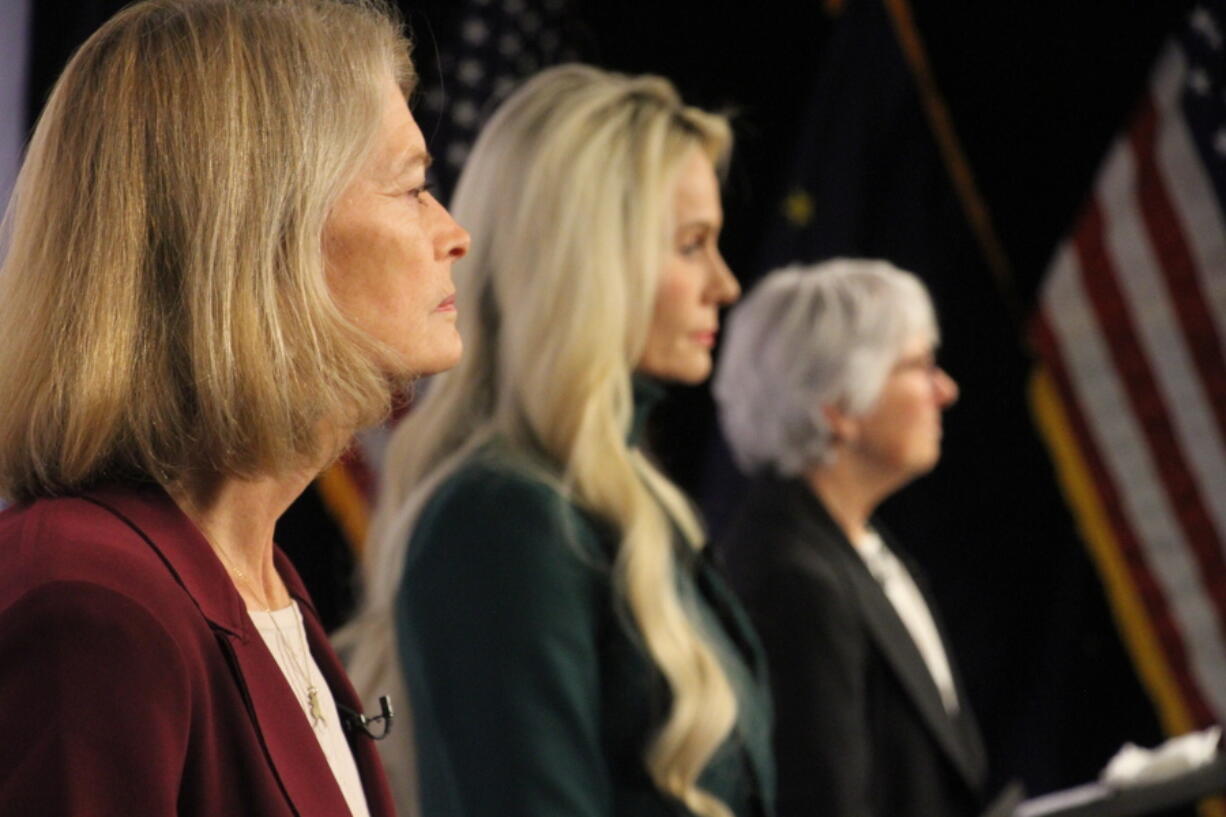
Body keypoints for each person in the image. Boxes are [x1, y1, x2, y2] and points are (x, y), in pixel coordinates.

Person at [0, 1, 469, 815]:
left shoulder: (259, 577)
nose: (454, 232)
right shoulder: (91, 603)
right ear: (261, 234)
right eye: (414, 187)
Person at [341, 64, 774, 817]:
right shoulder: (501, 520)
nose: (726, 283)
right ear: (590, 258)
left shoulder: (630, 502)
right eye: (692, 244)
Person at [712, 260, 988, 817]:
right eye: (919, 366)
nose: (946, 390)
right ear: (838, 406)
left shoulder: (858, 547)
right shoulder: (793, 579)